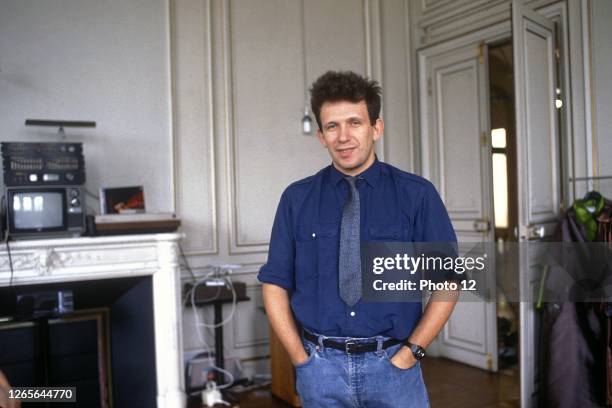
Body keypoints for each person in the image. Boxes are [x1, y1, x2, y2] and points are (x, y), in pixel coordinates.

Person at [258, 70, 459, 407]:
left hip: (394, 368)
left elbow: (448, 281)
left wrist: (412, 353)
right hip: (320, 369)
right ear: (321, 135)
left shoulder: (417, 195)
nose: (344, 136)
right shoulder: (296, 199)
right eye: (332, 126)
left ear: (376, 128)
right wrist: (300, 358)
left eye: (355, 122)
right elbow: (274, 282)